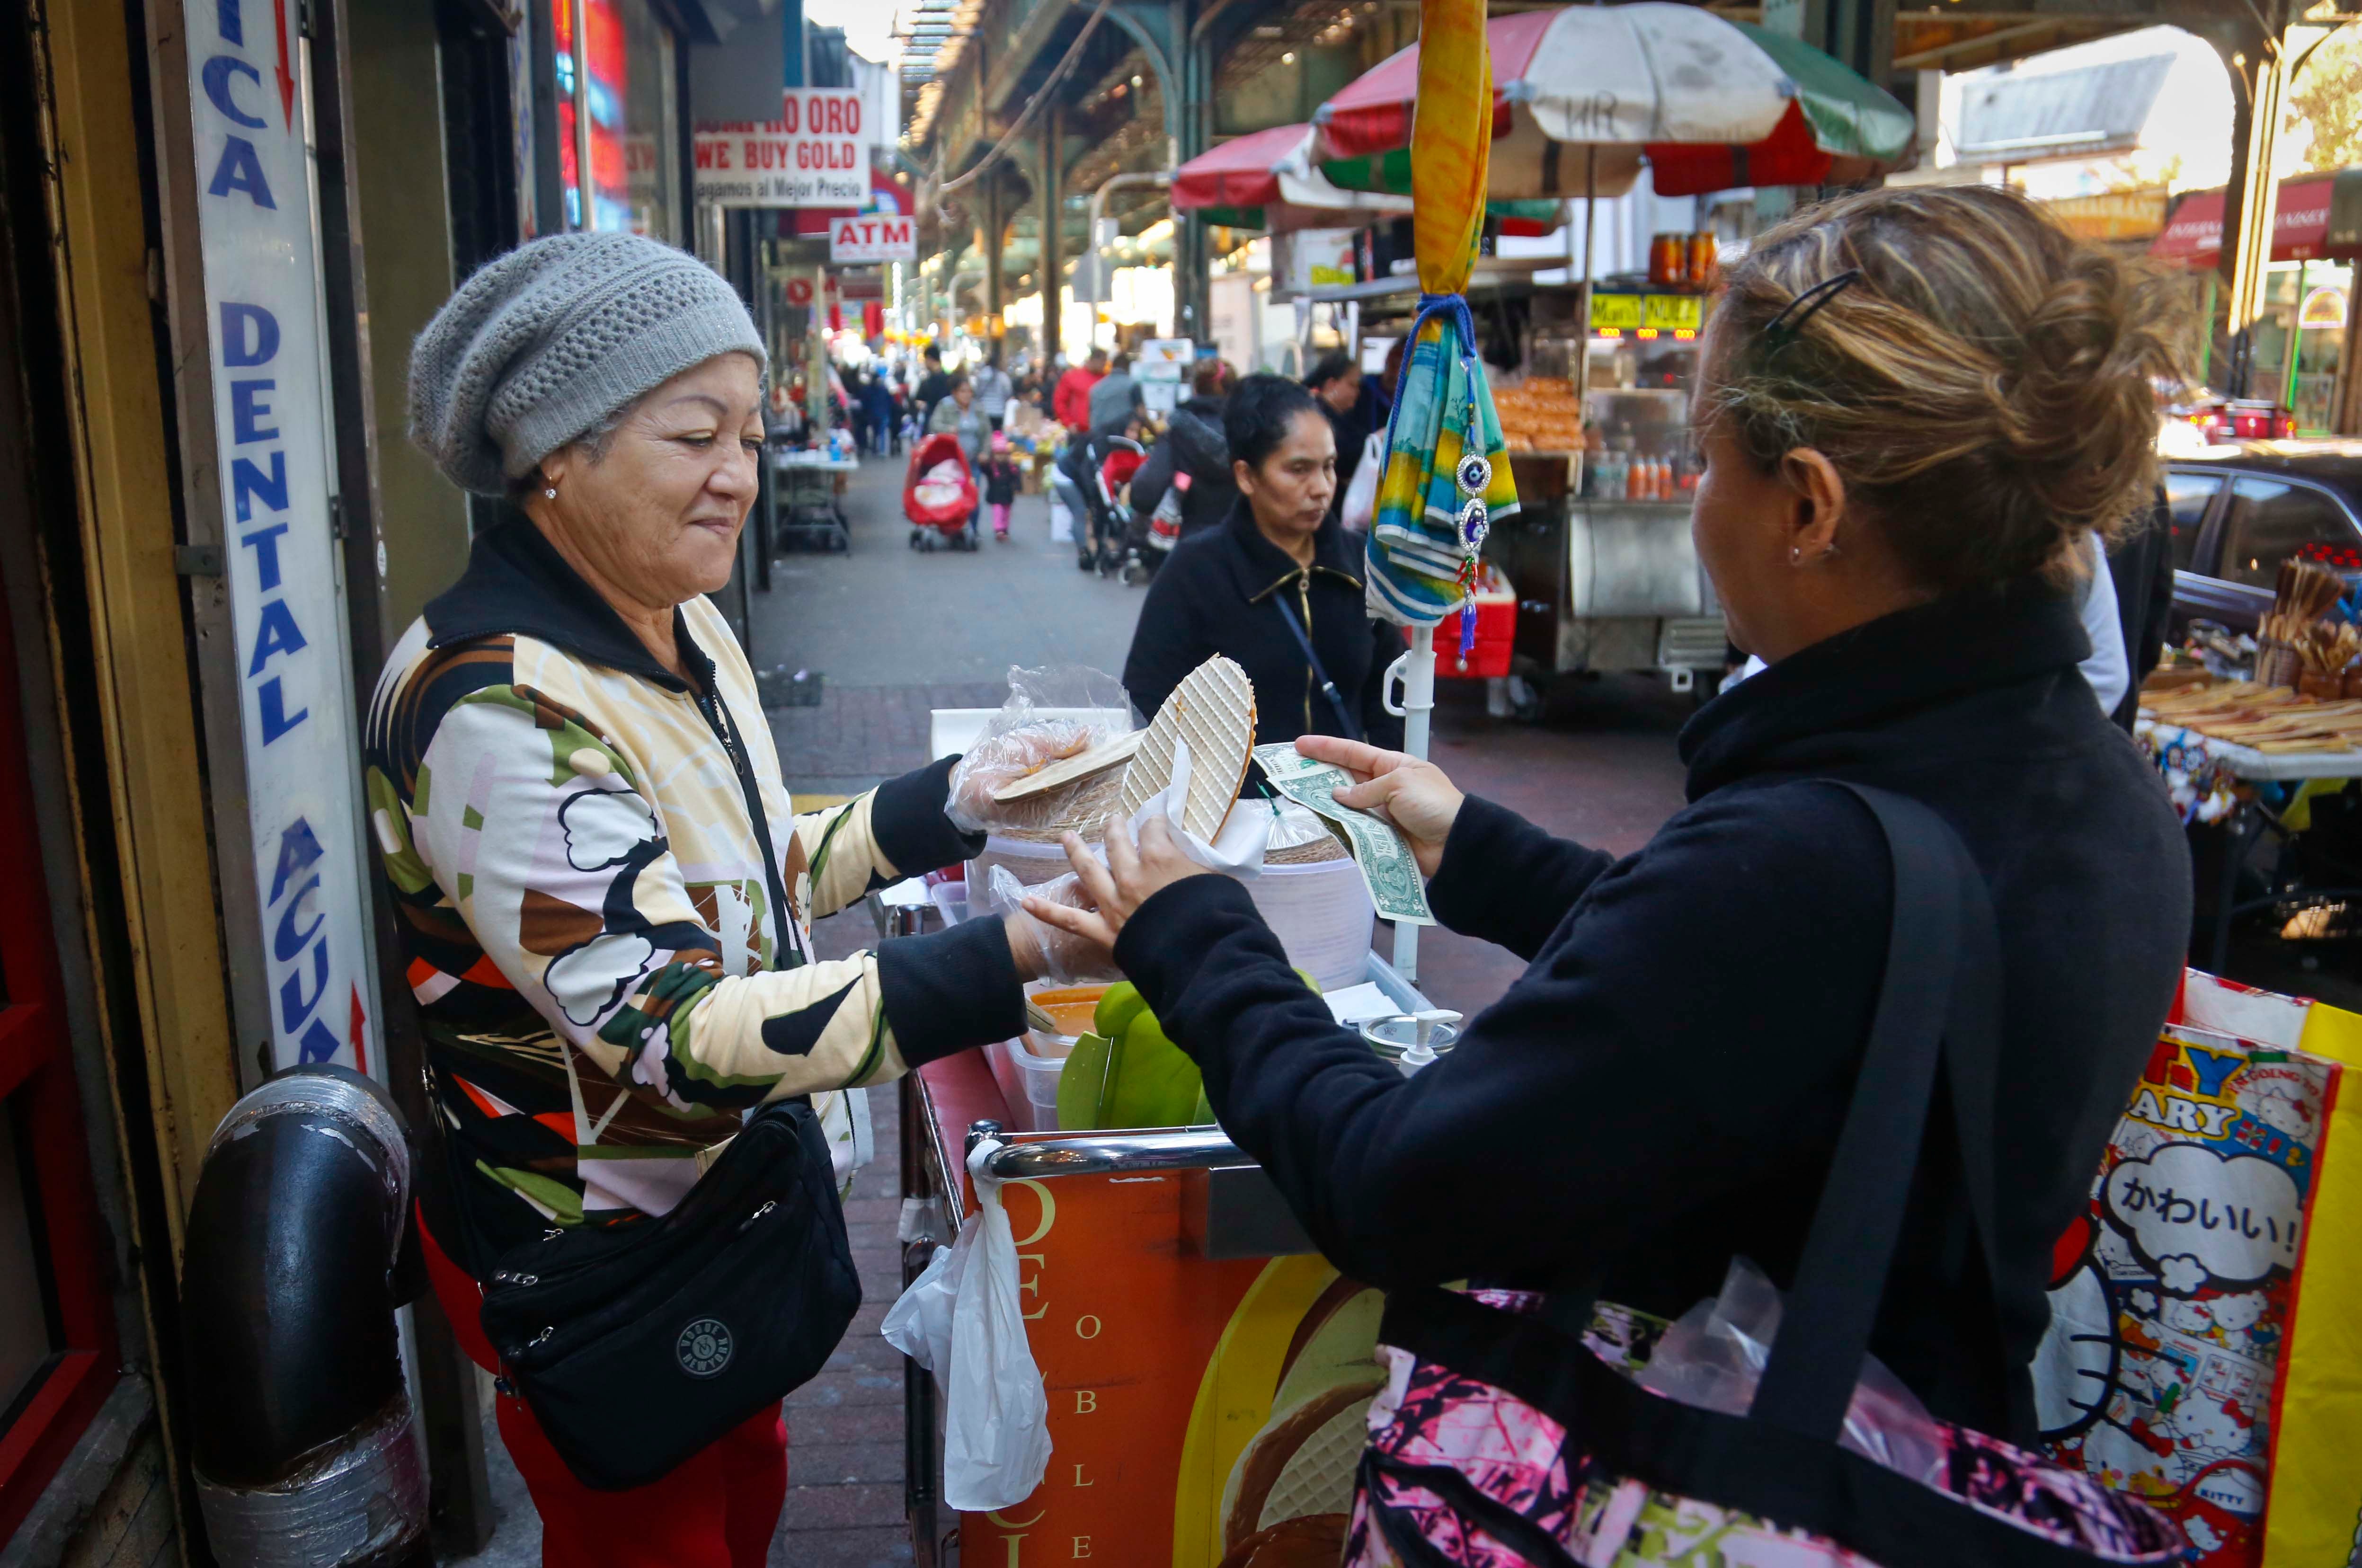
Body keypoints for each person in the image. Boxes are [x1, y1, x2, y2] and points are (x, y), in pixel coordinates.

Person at [1034, 187, 2192, 1530]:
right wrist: (1473, 847)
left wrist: (1191, 929)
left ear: (1807, 505)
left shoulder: (1805, 859)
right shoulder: (2098, 794)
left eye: (1707, 463)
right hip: (1928, 1447)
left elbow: (1396, 1182)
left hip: (1737, 1484)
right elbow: (1783, 1015)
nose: (1697, 506)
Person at [375, 232, 1094, 1566]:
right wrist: (1020, 954)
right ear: (554, 454)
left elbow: (754, 872)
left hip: (717, 1205)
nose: (738, 478)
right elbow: (672, 1030)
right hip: (597, 1245)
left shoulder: (678, 622)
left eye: (752, 435)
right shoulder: (491, 701)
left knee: (744, 1493)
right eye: (694, 434)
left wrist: (961, 798)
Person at [1121, 374, 1404, 747]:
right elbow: (1146, 705)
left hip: (1346, 802)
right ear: (1246, 476)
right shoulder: (1195, 573)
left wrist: (1383, 791)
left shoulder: (1362, 565)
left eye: (1329, 466)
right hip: (1232, 804)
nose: (1321, 488)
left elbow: (1391, 704)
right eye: (1299, 469)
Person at [1128, 357, 1239, 551]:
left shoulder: (1178, 430)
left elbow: (1145, 494)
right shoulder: (1249, 430)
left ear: (1195, 388)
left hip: (1189, 543)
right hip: (1242, 539)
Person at [1305, 350, 1376, 505]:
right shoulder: (1317, 416)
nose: (1357, 393)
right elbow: (1345, 453)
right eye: (1352, 385)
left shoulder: (1337, 416)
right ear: (1332, 384)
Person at [1088, 351, 1144, 438]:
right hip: (1123, 440)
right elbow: (1141, 413)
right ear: (1128, 367)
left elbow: (1091, 414)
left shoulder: (1096, 388)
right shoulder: (1132, 385)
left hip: (1098, 440)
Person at [979, 430, 1021, 542]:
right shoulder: (991, 467)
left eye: (1003, 454)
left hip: (1008, 493)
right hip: (996, 494)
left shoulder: (1011, 466)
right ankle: (999, 529)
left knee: (1006, 512)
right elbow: (985, 470)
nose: (1000, 457)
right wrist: (983, 463)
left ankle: (1005, 528)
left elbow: (1016, 476)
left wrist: (1018, 486)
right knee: (998, 511)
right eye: (998, 454)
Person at [1055, 346, 1105, 429]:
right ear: (1093, 360)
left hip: (1100, 430)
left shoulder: (1105, 379)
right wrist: (1068, 422)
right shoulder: (1072, 377)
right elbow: (1060, 401)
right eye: (1103, 362)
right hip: (1079, 430)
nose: (1104, 365)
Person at [972, 349, 1014, 432]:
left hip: (983, 411)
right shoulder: (1003, 377)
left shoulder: (982, 375)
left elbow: (977, 392)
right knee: (997, 437)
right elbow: (1008, 392)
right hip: (999, 412)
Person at [914, 343, 952, 428]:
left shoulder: (927, 382)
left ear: (929, 359)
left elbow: (918, 401)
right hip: (949, 423)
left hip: (931, 424)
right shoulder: (950, 380)